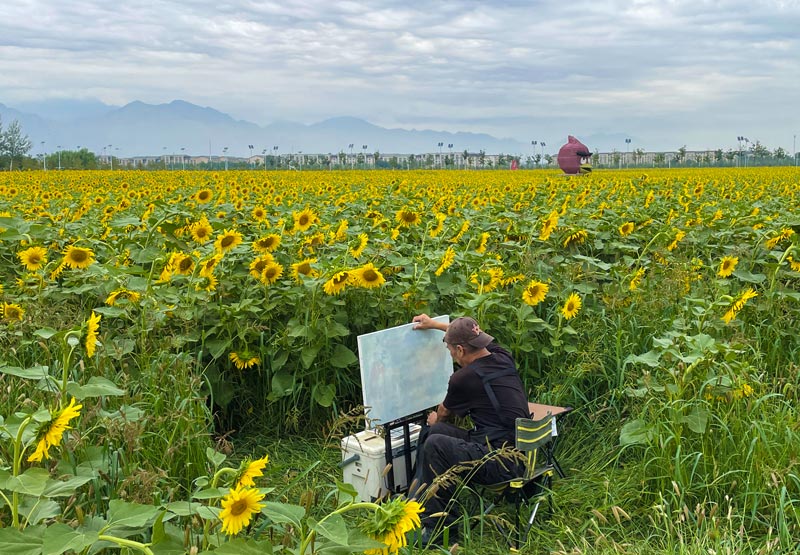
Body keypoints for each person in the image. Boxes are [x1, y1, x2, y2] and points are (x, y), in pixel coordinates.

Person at [410, 314, 530, 543]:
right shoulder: (503, 356)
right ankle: (424, 505)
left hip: (500, 462)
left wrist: (434, 419)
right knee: (436, 436)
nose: (452, 356)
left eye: (451, 351)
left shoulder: (462, 378)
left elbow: (443, 414)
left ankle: (440, 531)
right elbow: (468, 338)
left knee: (434, 439)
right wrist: (435, 324)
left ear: (460, 350)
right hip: (523, 454)